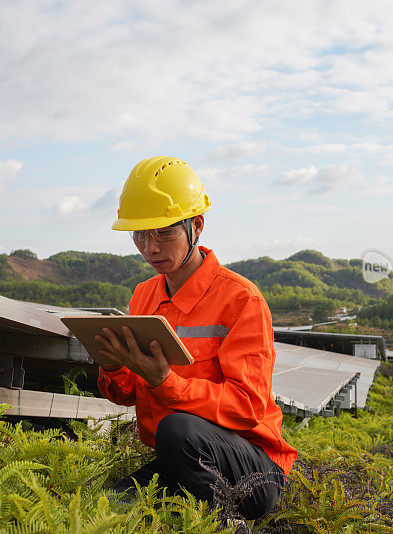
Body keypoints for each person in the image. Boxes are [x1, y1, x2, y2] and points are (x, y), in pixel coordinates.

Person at [93, 156, 297, 520]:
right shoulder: (143, 295)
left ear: (196, 225)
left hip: (253, 467)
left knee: (177, 427)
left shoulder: (241, 300)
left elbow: (247, 406)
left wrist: (165, 382)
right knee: (108, 504)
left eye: (164, 232)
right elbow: (127, 395)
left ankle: (225, 525)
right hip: (180, 457)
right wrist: (112, 364)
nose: (149, 247)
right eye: (139, 234)